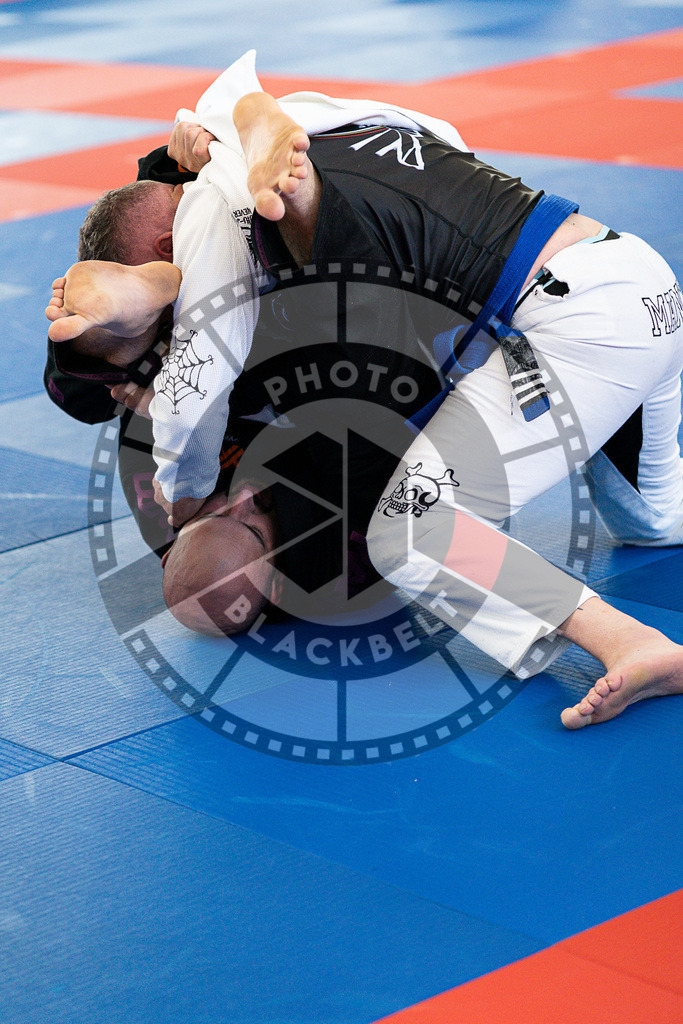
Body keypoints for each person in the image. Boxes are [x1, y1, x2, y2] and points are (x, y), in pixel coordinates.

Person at [45, 75, 683, 730]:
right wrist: (199, 151)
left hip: (569, 327)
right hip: (632, 278)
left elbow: (196, 387)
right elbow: (437, 138)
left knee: (411, 532)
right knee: (653, 523)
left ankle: (628, 642)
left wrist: (185, 494)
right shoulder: (316, 133)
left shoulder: (222, 252)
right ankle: (157, 289)